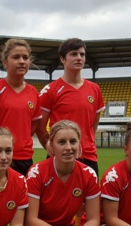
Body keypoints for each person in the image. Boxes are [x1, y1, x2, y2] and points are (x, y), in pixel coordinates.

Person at [37, 38, 104, 176]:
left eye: (82, 54)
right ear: (62, 59)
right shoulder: (50, 90)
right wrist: (50, 148)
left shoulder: (95, 89)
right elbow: (40, 127)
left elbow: (92, 125)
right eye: (74, 54)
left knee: (89, 197)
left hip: (88, 156)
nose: (79, 58)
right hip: (59, 157)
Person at [0, 39, 41, 175]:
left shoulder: (33, 93)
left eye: (25, 58)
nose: (21, 61)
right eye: (16, 57)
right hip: (0, 157)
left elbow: (33, 126)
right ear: (5, 62)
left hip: (25, 158)